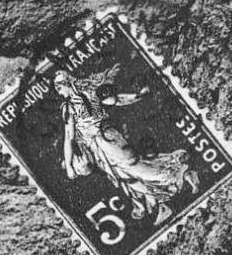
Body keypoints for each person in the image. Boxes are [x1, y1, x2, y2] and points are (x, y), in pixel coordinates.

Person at [54, 69, 197, 225]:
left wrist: (69, 166)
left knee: (137, 170)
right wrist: (138, 97)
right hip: (104, 142)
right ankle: (159, 204)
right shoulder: (90, 91)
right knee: (125, 176)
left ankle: (179, 174)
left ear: (66, 84)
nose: (59, 92)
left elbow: (69, 137)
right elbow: (116, 100)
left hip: (105, 142)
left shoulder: (70, 107)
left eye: (59, 87)